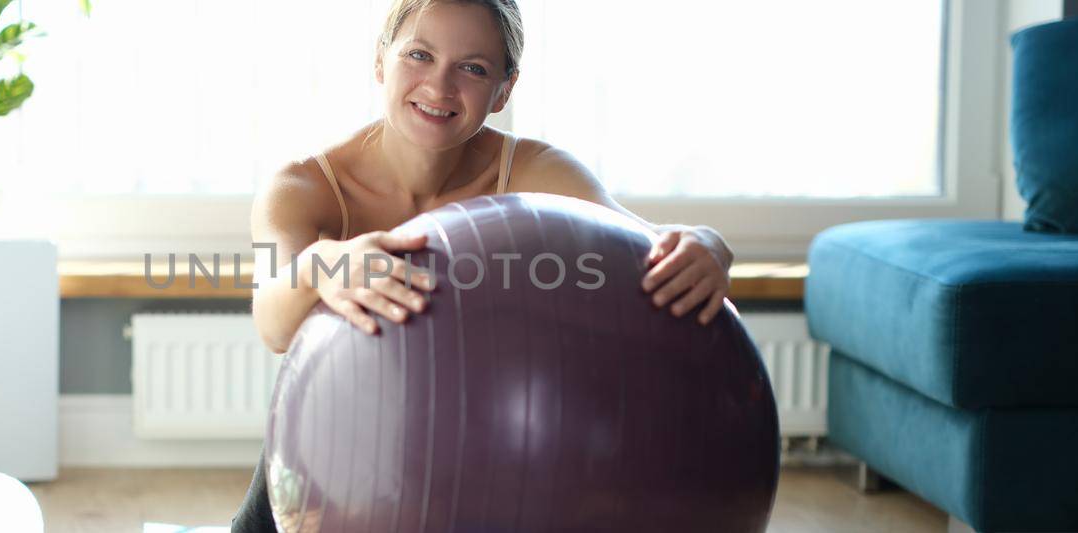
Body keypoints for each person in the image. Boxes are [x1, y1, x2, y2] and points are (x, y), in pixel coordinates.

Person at [235, 0, 734, 529]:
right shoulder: (303, 186)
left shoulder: (536, 170)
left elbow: (645, 245)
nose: (439, 87)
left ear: (504, 90)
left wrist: (708, 244)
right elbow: (272, 323)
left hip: (492, 452)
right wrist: (322, 264)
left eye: (472, 68)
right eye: (420, 55)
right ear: (380, 62)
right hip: (335, 448)